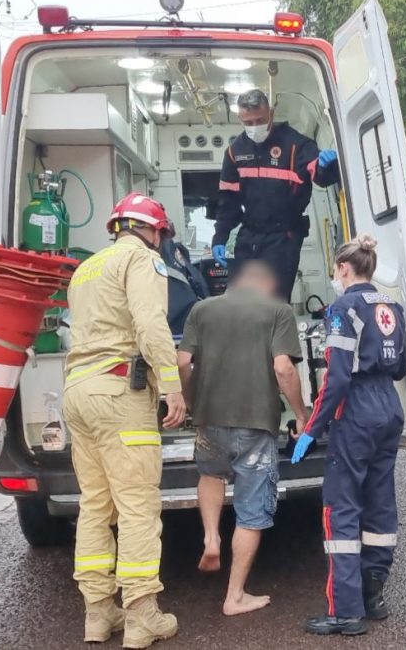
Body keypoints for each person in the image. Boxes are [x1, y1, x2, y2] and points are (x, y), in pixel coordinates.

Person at [63, 193, 186, 649]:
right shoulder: (143, 260)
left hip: (78, 391)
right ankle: (141, 615)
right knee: (137, 506)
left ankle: (98, 614)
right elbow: (151, 324)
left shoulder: (86, 268)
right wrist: (172, 384)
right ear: (154, 231)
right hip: (119, 391)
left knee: (95, 505)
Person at [176, 259, 308, 616]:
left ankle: (211, 538)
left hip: (209, 420)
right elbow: (283, 368)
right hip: (255, 424)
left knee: (211, 475)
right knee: (251, 511)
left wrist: (190, 401)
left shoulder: (202, 309)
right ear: (266, 284)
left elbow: (182, 360)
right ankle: (234, 596)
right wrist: (300, 413)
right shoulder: (278, 311)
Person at [291, 235, 406, 637]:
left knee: (340, 511)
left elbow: (337, 378)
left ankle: (345, 613)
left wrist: (311, 429)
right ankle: (373, 597)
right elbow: (401, 367)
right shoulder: (392, 305)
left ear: (343, 268)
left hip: (356, 409)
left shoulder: (342, 309)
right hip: (389, 407)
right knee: (380, 504)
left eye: (335, 270)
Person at [212, 88, 340, 302]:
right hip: (250, 234)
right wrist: (220, 237)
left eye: (260, 120)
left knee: (274, 303)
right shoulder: (235, 152)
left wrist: (327, 167)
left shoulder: (297, 145)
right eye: (248, 122)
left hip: (284, 237)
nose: (254, 127)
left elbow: (320, 177)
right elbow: (229, 202)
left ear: (271, 113)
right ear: (240, 118)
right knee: (239, 302)